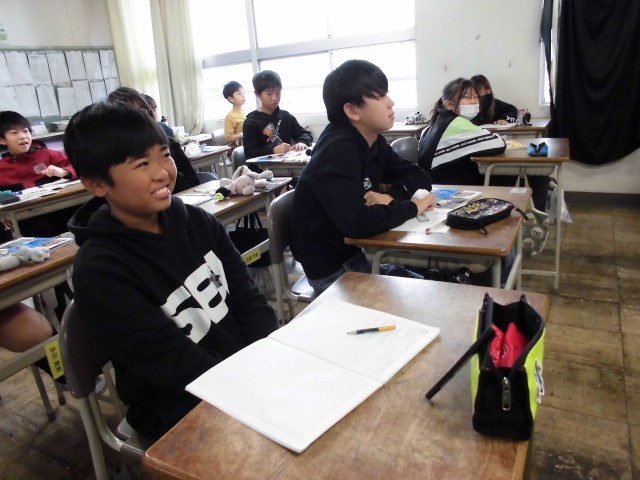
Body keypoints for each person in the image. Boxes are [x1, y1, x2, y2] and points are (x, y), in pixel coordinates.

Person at [64, 101, 278, 439]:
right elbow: (172, 365)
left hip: (242, 375)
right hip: (177, 407)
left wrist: (268, 355)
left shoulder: (196, 220)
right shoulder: (101, 270)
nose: (162, 171)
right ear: (96, 183)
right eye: (142, 163)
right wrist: (246, 385)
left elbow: (247, 298)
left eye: (164, 154)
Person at [290, 59, 436, 294]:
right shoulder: (338, 149)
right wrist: (412, 206)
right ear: (352, 110)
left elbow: (419, 176)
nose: (390, 102)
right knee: (425, 295)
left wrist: (391, 196)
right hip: (333, 271)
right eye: (379, 96)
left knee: (434, 284)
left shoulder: (372, 141)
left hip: (359, 255)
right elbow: (357, 223)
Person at [0, 111, 78, 236]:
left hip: (59, 210)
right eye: (14, 133)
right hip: (27, 220)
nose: (23, 136)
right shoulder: (2, 167)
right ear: (2, 140)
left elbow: (78, 166)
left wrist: (64, 172)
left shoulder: (47, 154)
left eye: (26, 131)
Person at [418, 78, 507, 186]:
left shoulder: (435, 122)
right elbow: (499, 143)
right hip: (444, 187)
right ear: (449, 104)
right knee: (506, 178)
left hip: (432, 183)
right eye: (466, 97)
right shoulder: (457, 123)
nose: (474, 101)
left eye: (476, 97)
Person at [108, 87, 199, 193]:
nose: (140, 118)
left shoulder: (170, 144)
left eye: (142, 111)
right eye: (142, 163)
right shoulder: (115, 156)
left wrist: (170, 175)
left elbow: (193, 184)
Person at [242, 70, 313, 159]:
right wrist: (273, 150)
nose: (274, 98)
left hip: (287, 165)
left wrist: (302, 142)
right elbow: (250, 154)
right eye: (269, 94)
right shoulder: (251, 122)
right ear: (257, 94)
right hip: (262, 167)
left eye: (278, 92)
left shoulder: (286, 116)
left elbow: (305, 134)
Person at [222, 81, 246, 148]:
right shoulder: (230, 116)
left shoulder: (245, 112)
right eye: (239, 94)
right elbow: (228, 138)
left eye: (243, 93)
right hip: (239, 148)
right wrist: (241, 135)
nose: (243, 96)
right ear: (231, 98)